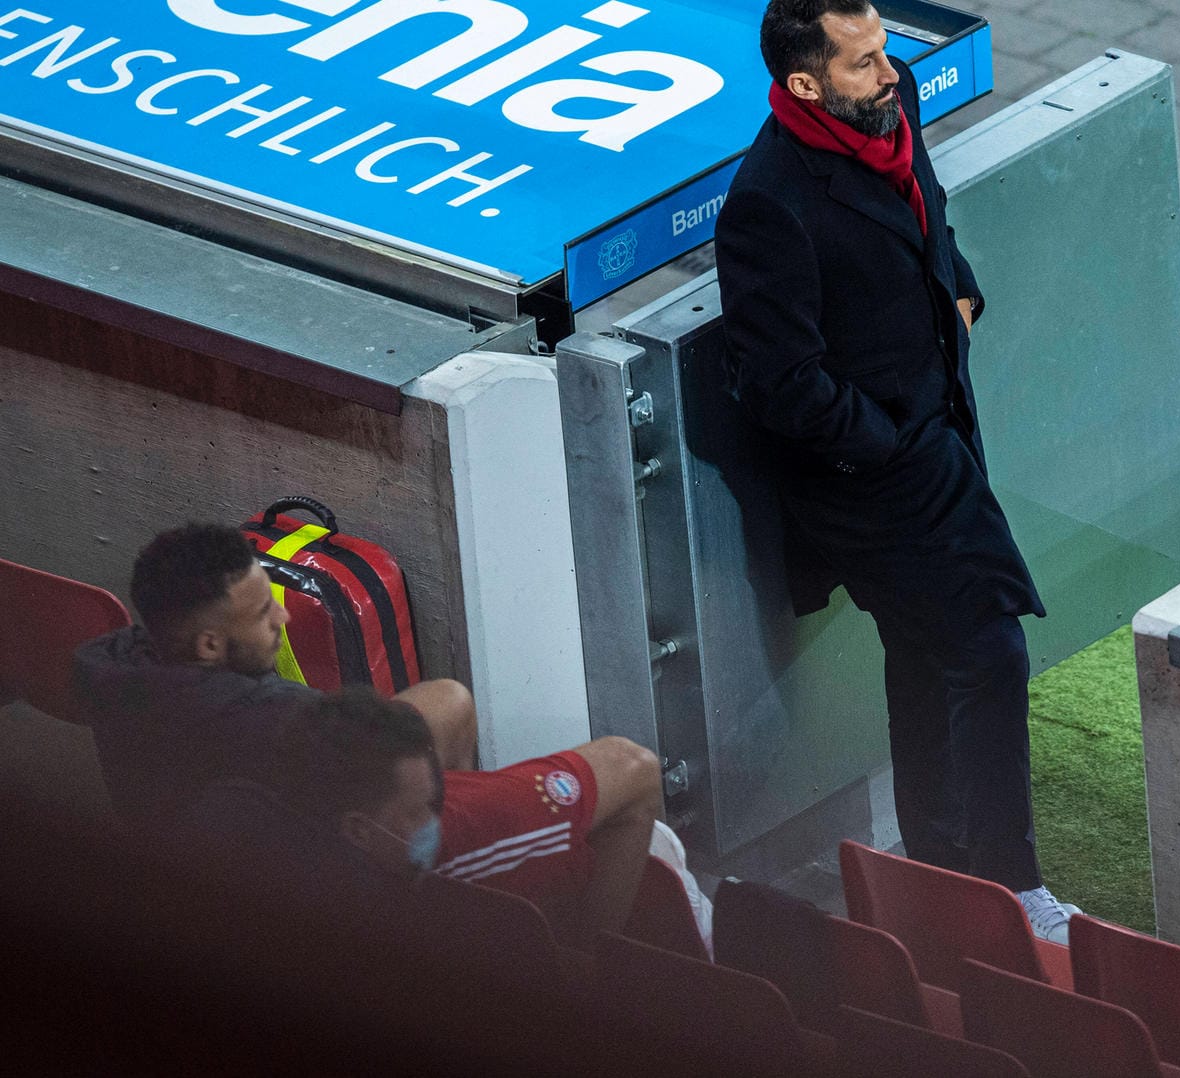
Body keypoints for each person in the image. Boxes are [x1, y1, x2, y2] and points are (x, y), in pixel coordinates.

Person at [714, 0, 1075, 942]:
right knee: (988, 645)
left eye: (884, 51)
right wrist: (886, 438)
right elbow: (778, 382)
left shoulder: (888, 101)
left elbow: (928, 210)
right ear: (805, 83)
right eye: (863, 61)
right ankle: (1010, 887)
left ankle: (938, 870)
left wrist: (960, 292)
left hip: (940, 430)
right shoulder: (768, 203)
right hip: (869, 479)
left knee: (927, 652)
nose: (889, 72)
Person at [73, 522, 676, 943]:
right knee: (632, 768)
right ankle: (580, 973)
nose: (283, 615)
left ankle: (454, 895)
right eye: (263, 613)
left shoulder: (114, 667)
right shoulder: (273, 721)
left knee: (449, 702)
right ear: (209, 644)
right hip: (337, 883)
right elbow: (356, 752)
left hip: (229, 866)